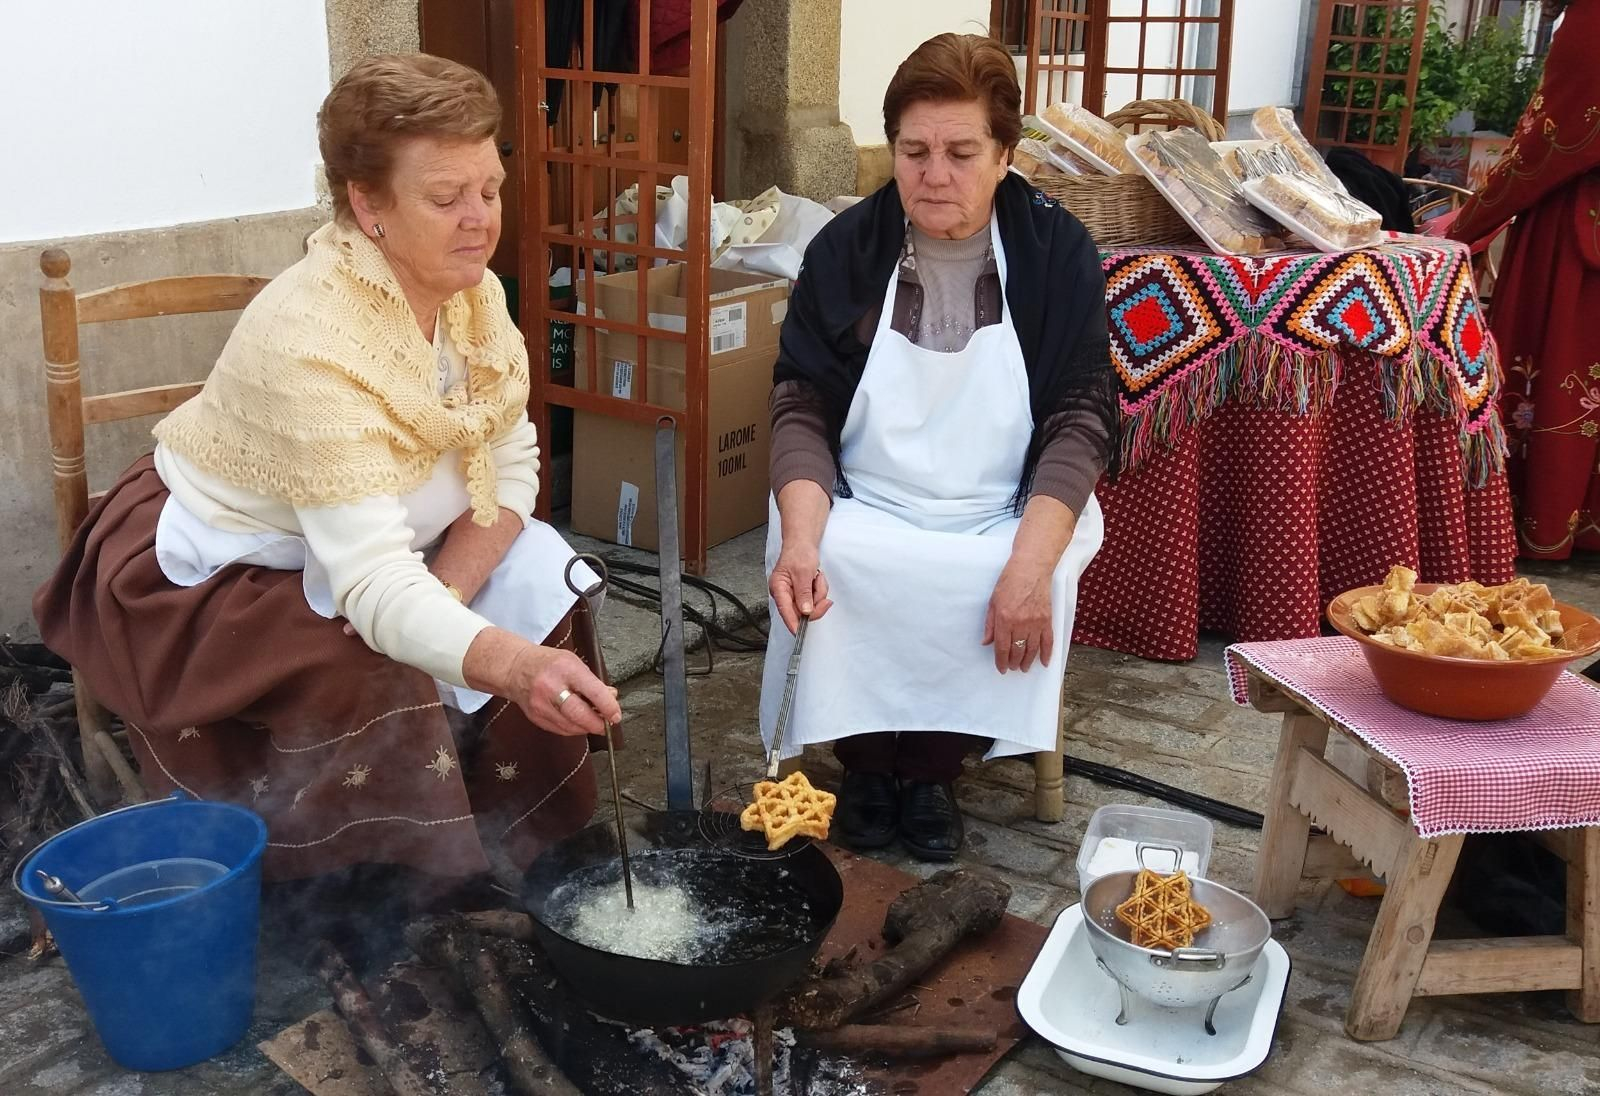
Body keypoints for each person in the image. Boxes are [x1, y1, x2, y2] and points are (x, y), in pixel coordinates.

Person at [33, 54, 621, 883]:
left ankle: (520, 832)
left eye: (489, 189)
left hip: (379, 544)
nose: (479, 220)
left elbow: (512, 466)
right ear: (366, 204)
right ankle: (382, 888)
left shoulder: (475, 298)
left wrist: (447, 593)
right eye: (445, 198)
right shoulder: (311, 339)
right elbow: (374, 583)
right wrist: (510, 665)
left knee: (541, 579)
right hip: (222, 573)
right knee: (373, 661)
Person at [761, 34, 1117, 860]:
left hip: (1003, 500)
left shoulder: (1056, 251)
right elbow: (802, 402)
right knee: (817, 551)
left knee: (1003, 575)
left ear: (1005, 155)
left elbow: (1080, 412)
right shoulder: (845, 248)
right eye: (913, 151)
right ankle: (865, 764)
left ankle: (929, 770)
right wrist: (807, 535)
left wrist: (1029, 566)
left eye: (962, 152)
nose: (934, 174)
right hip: (867, 492)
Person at [1448, 0, 1597, 560]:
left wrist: (1465, 224)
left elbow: (1553, 142)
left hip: (1573, 224)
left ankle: (1543, 516)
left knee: (1560, 355)